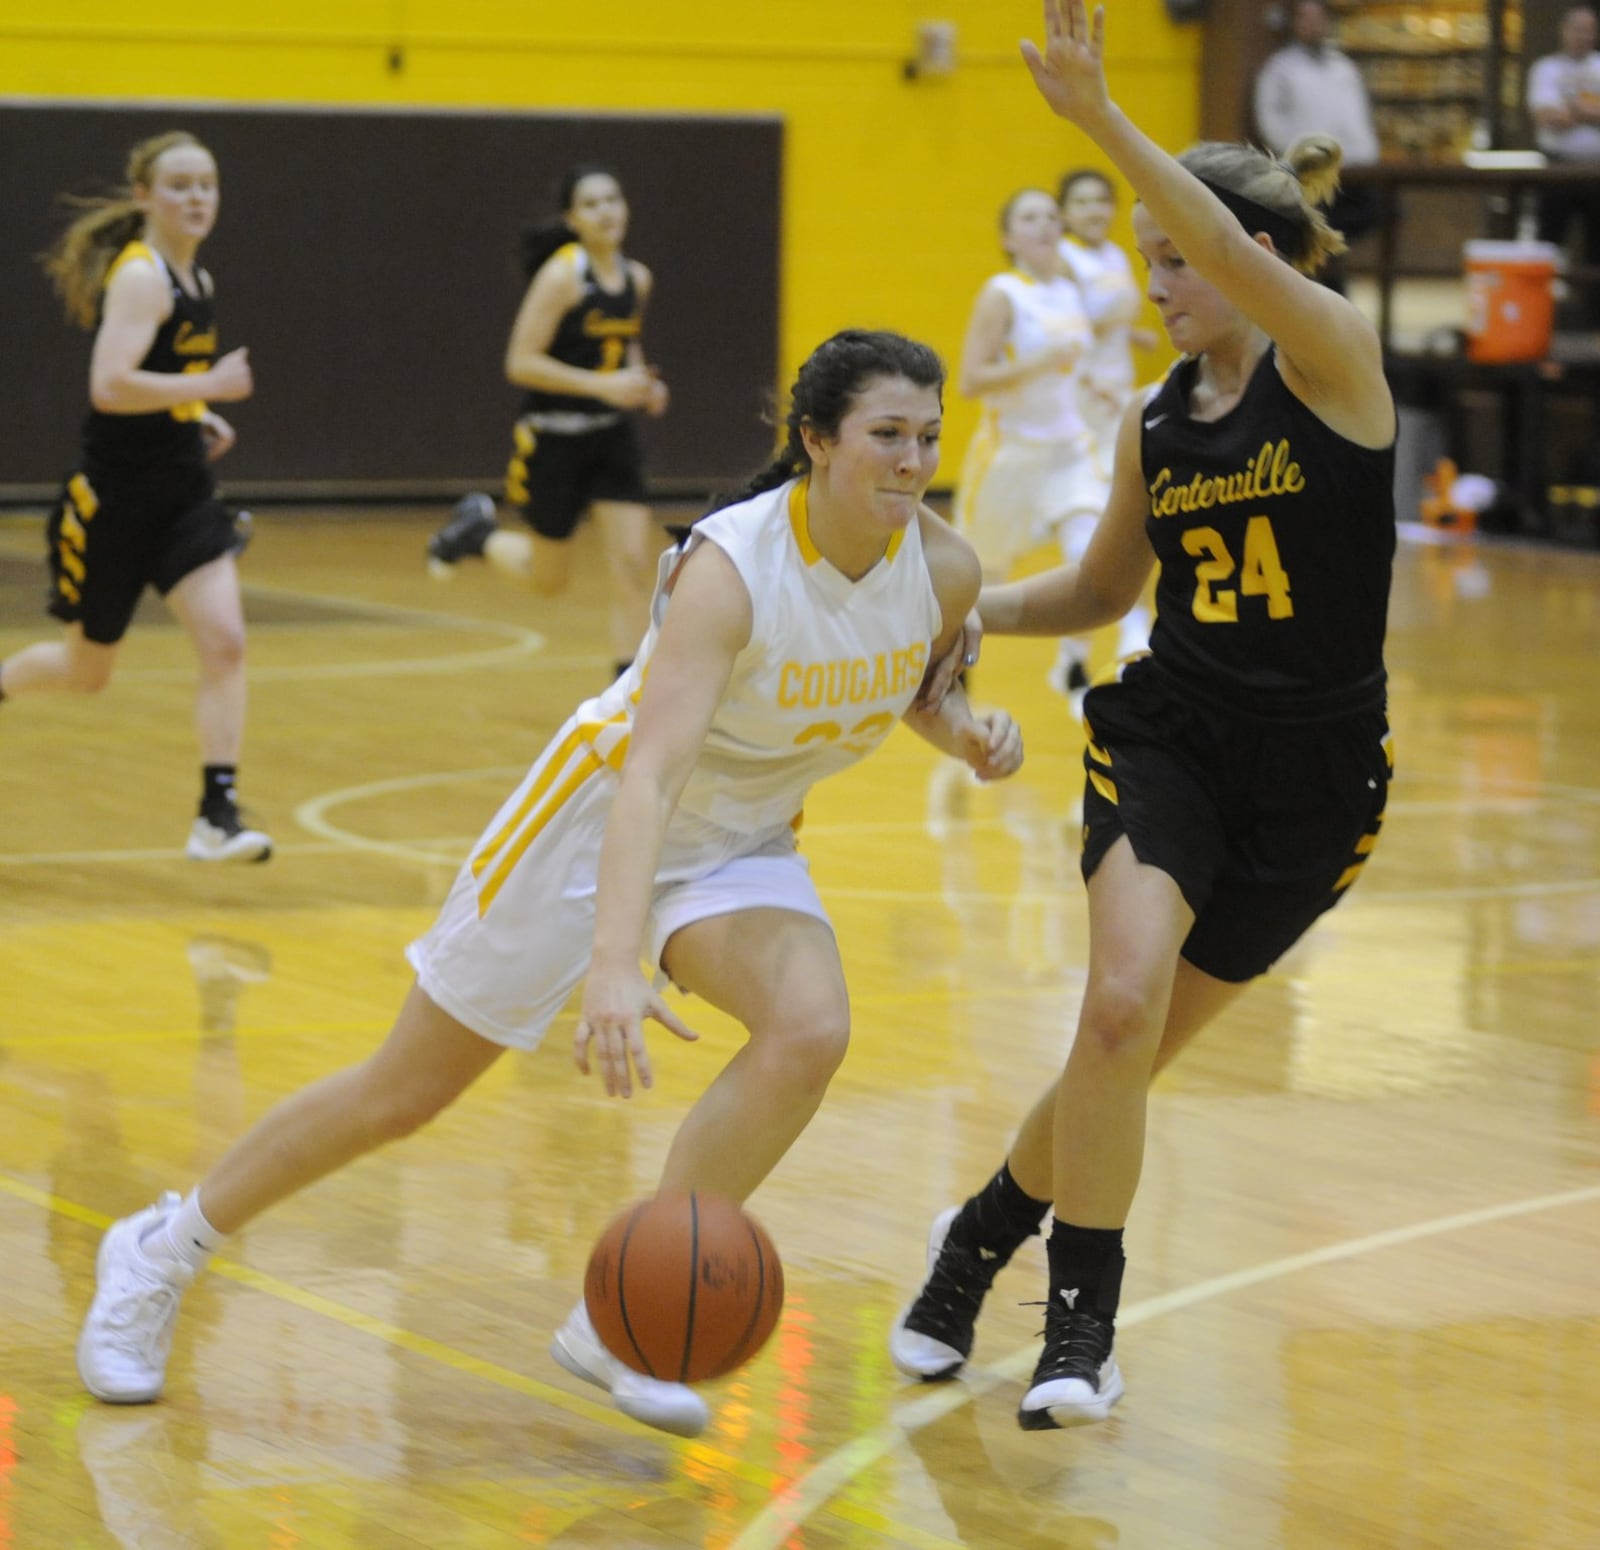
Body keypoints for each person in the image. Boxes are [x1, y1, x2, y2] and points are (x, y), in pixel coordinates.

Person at [76, 329, 1023, 1441]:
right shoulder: (732, 568)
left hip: (741, 836)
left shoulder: (943, 566)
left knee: (808, 1030)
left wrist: (963, 732)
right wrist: (613, 964)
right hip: (593, 821)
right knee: (405, 1091)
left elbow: (910, 681)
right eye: (885, 436)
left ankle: (623, 1320)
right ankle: (162, 1246)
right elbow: (651, 772)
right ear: (817, 442)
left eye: (926, 436)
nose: (912, 460)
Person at [891, 0, 1395, 1432]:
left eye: (1180, 259)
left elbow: (1240, 245)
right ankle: (1079, 1328)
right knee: (1114, 1007)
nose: (1159, 282)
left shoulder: (1336, 366)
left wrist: (1104, 121)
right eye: (1152, 258)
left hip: (1319, 781)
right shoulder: (1155, 422)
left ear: (1269, 263)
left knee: (1126, 1056)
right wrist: (965, 611)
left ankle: (976, 1233)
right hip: (1173, 731)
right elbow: (1106, 585)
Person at [0, 131, 269, 862]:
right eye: (179, 185)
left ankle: (217, 814)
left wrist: (194, 413)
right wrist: (208, 386)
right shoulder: (142, 277)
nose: (196, 199)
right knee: (87, 674)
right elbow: (110, 386)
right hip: (114, 502)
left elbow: (157, 384)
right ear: (144, 195)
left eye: (206, 185)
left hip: (182, 494)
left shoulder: (196, 281)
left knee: (226, 642)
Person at [428, 165, 671, 680]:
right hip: (553, 438)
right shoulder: (563, 275)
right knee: (549, 580)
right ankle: (477, 535)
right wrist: (602, 385)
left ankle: (626, 696)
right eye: (591, 203)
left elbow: (623, 341)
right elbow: (520, 362)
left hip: (610, 437)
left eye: (614, 198)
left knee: (633, 564)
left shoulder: (637, 278)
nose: (607, 210)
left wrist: (640, 383)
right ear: (571, 219)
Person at [951, 187, 1102, 708]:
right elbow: (971, 380)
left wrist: (1094, 388)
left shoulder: (1069, 289)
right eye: (1030, 217)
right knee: (980, 575)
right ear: (1008, 237)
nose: (1045, 224)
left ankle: (1075, 667)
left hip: (1070, 451)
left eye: (1051, 216)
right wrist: (1038, 363)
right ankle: (951, 672)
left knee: (1091, 555)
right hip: (1010, 455)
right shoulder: (1003, 293)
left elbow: (1072, 366)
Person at [1055, 167, 1158, 688]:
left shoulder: (1117, 255)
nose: (1094, 210)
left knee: (1127, 512)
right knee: (1102, 519)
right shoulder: (1065, 262)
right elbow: (1070, 335)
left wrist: (1136, 336)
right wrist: (1095, 381)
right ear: (1065, 213)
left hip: (1118, 395)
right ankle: (1106, 632)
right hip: (1086, 401)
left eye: (1102, 200)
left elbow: (1109, 323)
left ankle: (1081, 646)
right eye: (1082, 202)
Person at [1253, 0, 1381, 292]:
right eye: (1304, 18)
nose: (1312, 24)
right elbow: (1270, 121)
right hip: (1309, 174)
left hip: (1355, 171)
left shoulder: (1343, 68)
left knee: (1382, 211)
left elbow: (1357, 117)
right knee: (1319, 226)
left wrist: (1366, 154)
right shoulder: (1281, 68)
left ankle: (1329, 270)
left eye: (1317, 18)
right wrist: (1302, 157)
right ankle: (1326, 284)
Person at [1527, 5, 1600, 324]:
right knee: (1547, 243)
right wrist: (1587, 111)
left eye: (1588, 29)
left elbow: (1561, 114)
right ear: (1564, 31)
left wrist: (1571, 110)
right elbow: (1547, 117)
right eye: (1576, 29)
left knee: (1596, 247)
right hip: (1556, 167)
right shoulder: (1546, 69)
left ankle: (1593, 317)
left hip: (1596, 170)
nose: (1582, 36)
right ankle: (1538, 314)